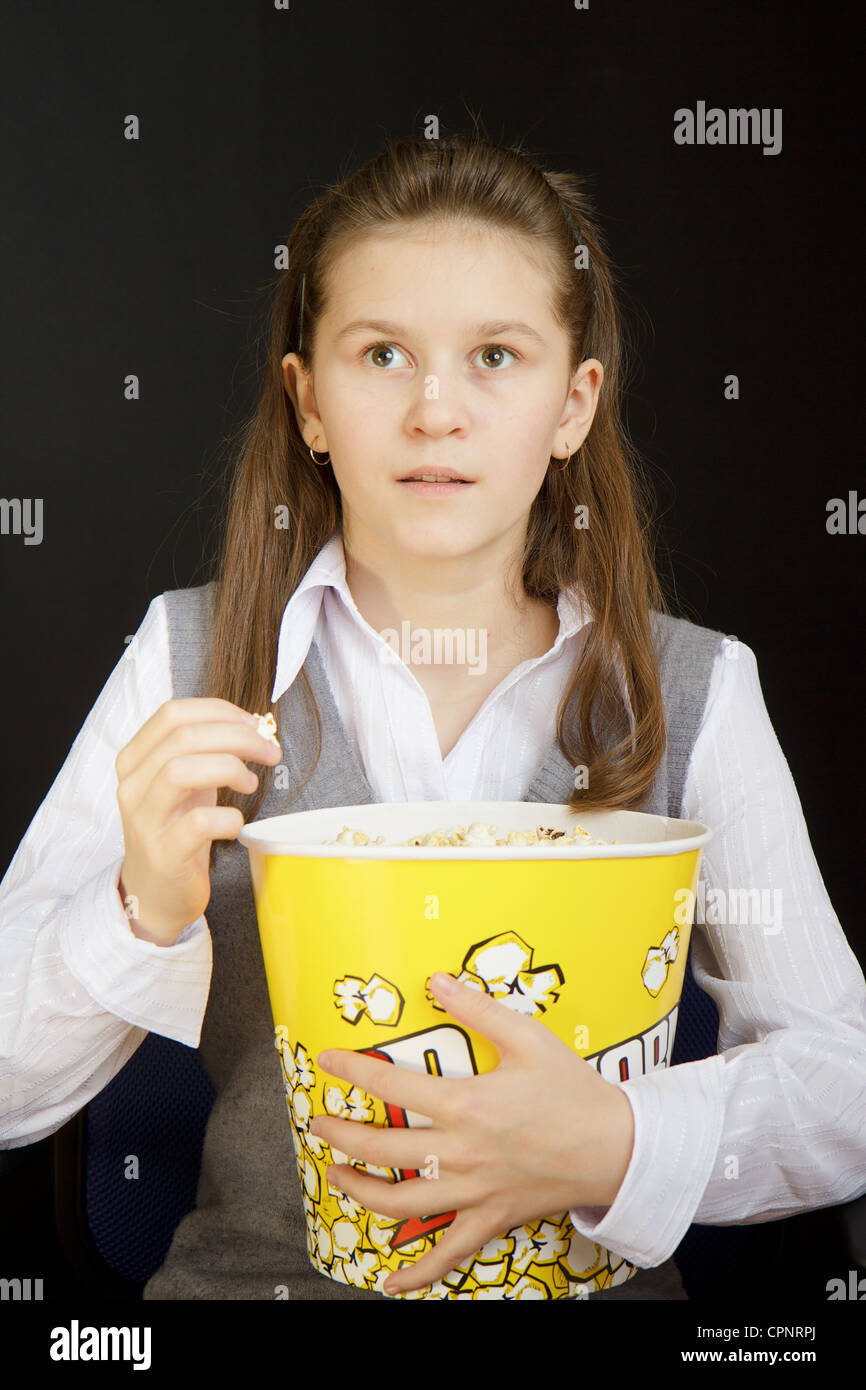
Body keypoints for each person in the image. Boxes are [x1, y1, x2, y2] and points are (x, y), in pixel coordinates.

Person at [2, 130, 865, 1303]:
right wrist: (139, 912)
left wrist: (614, 1140)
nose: (434, 410)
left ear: (572, 404)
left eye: (495, 356)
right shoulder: (188, 657)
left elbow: (845, 1085)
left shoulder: (695, 687)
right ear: (308, 401)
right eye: (381, 353)